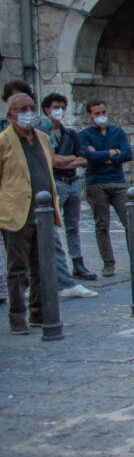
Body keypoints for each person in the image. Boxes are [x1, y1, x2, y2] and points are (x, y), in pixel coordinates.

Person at [0, 93, 61, 334]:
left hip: (44, 213)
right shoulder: (4, 141)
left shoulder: (43, 139)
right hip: (16, 212)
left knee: (42, 265)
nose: (28, 112)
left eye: (31, 107)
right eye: (22, 108)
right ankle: (17, 316)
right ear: (11, 115)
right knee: (17, 268)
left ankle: (38, 311)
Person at [79, 99, 134, 277]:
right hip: (96, 183)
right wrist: (111, 153)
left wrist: (104, 157)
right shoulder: (85, 135)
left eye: (103, 112)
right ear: (90, 115)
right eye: (97, 113)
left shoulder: (117, 132)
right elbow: (88, 155)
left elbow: (127, 154)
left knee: (130, 221)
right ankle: (108, 263)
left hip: (118, 181)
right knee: (102, 225)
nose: (101, 116)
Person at [40, 93, 99, 298]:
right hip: (56, 182)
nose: (60, 111)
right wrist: (70, 159)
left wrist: (68, 160)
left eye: (63, 107)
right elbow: (53, 161)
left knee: (73, 225)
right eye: (56, 107)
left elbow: (83, 158)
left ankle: (77, 262)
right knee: (53, 227)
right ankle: (56, 271)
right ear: (47, 109)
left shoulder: (70, 134)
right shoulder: (43, 134)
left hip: (73, 182)